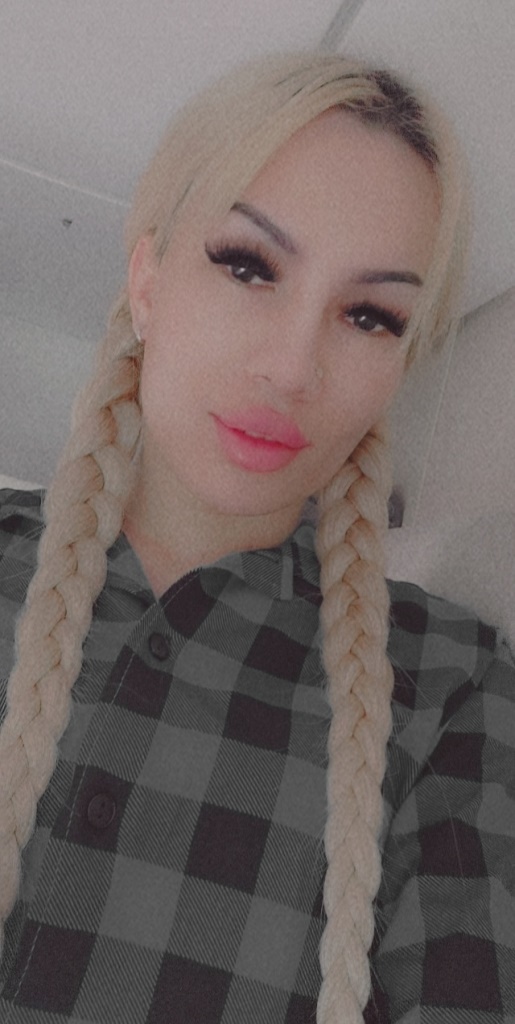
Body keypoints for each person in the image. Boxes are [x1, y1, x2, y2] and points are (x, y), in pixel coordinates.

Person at [0, 50, 513, 1024]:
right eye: (247, 265)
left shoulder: (450, 685)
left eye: (369, 315)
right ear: (147, 281)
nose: (291, 366)